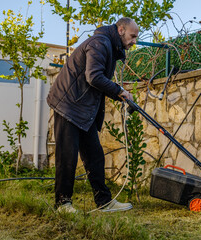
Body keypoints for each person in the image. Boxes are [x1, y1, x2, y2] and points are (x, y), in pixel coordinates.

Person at [47, 17, 139, 213]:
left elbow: (97, 81)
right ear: (121, 30)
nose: (134, 41)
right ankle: (62, 204)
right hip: (68, 105)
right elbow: (94, 77)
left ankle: (104, 202)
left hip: (82, 109)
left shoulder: (109, 46)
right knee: (67, 157)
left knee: (95, 156)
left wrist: (118, 94)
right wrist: (119, 90)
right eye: (132, 36)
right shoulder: (100, 43)